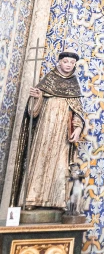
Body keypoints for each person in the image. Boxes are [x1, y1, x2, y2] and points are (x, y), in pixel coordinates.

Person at [11, 51, 86, 211]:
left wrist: (78, 128)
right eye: (65, 61)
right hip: (45, 129)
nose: (68, 65)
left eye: (72, 63)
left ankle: (56, 202)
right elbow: (32, 113)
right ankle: (31, 199)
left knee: (60, 164)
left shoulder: (74, 84)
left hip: (62, 134)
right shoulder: (48, 80)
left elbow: (77, 111)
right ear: (59, 62)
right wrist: (37, 98)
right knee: (39, 160)